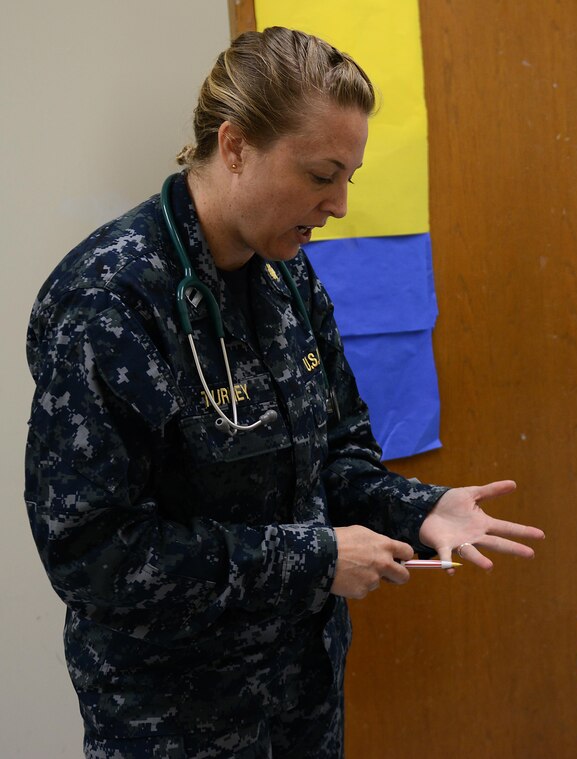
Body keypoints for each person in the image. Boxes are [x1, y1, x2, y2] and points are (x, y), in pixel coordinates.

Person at [24, 27, 544, 758]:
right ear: (234, 145)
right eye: (320, 173)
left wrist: (421, 507)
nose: (337, 205)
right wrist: (314, 558)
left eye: (348, 179)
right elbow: (92, 552)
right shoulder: (112, 299)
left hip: (302, 697)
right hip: (175, 718)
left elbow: (337, 454)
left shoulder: (286, 274)